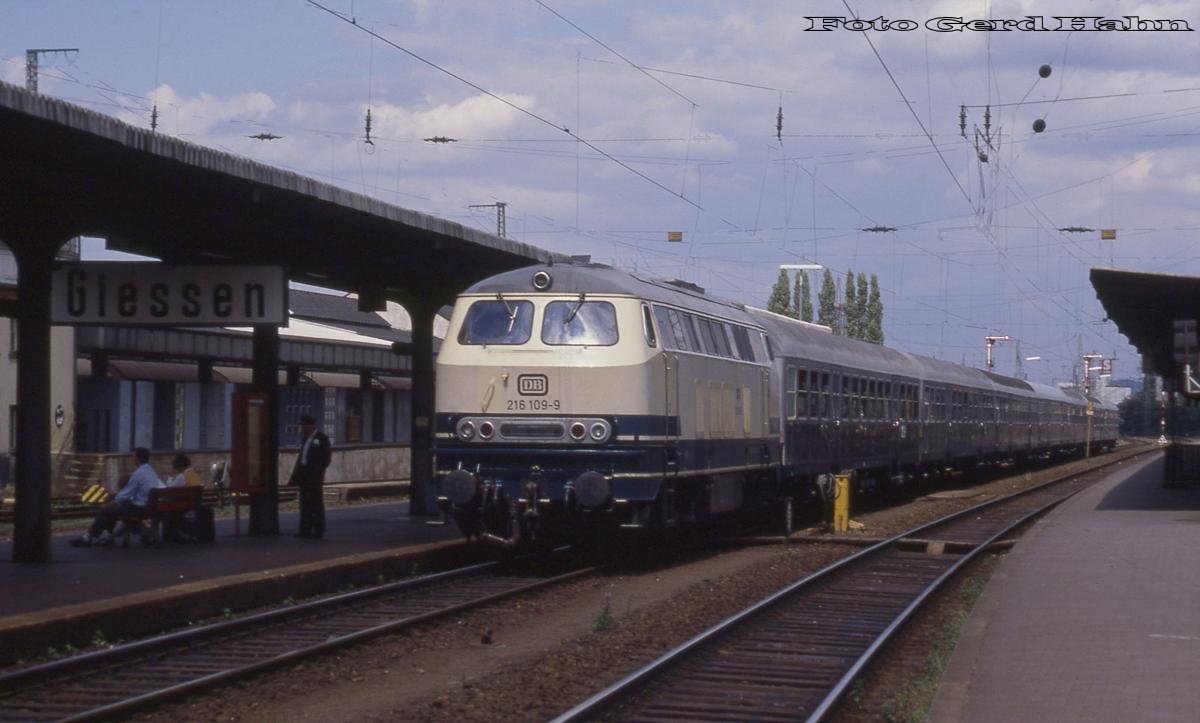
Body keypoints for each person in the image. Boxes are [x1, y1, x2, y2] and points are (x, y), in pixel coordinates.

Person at [71, 447, 159, 547]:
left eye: (133, 457)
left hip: (139, 509)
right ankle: (106, 537)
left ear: (138, 459)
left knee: (106, 509)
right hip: (149, 507)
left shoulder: (138, 474)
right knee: (113, 508)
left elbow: (125, 494)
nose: (132, 459)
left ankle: (89, 537)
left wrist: (113, 502)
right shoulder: (151, 472)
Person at [290, 414, 331, 539]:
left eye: (304, 425)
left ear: (310, 425)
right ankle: (305, 529)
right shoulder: (305, 439)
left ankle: (318, 530)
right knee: (305, 503)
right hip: (304, 474)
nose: (302, 428)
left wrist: (317, 472)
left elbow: (326, 458)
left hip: (314, 476)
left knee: (316, 503)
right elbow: (302, 457)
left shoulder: (321, 438)